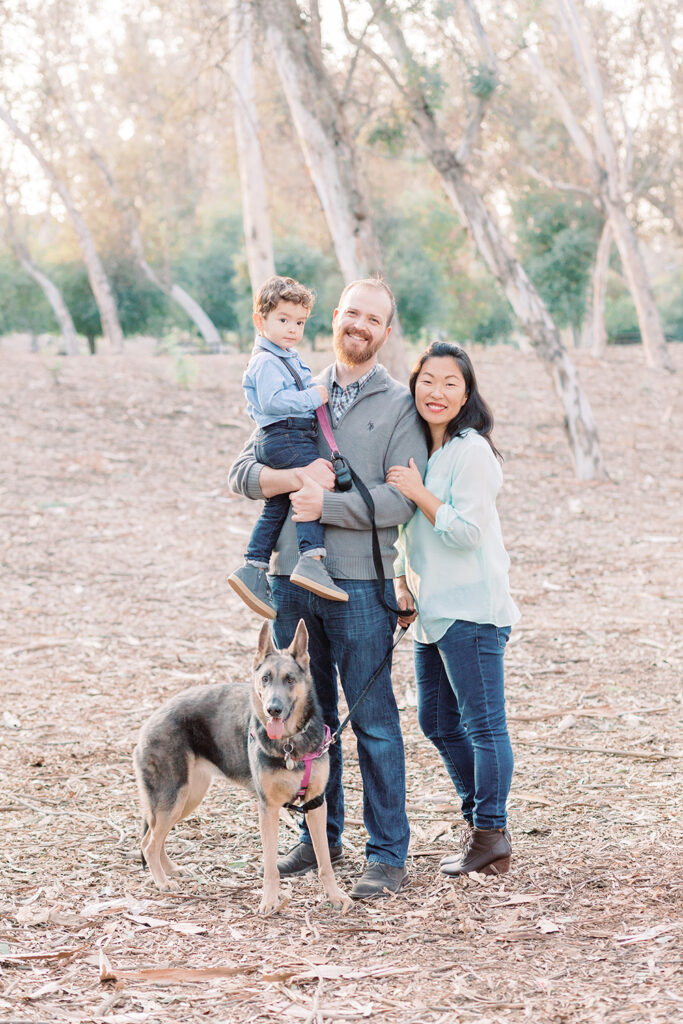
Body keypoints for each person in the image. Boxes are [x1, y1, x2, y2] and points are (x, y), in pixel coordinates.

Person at [229, 278, 428, 899]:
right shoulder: (291, 384)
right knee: (306, 720)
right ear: (335, 319)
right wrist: (290, 479)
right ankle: (321, 839)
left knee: (372, 722)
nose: (359, 325)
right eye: (351, 313)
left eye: (374, 318)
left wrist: (328, 503)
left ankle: (387, 854)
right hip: (292, 582)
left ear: (386, 332)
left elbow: (402, 500)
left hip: (362, 585)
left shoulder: (400, 404)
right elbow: (242, 472)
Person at [387, 341, 520, 877]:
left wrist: (419, 492)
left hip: (473, 610)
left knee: (485, 726)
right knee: (438, 721)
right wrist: (400, 579)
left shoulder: (471, 451)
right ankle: (481, 823)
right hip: (433, 611)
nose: (436, 392)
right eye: (427, 380)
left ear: (466, 394)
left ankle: (490, 834)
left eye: (450, 383)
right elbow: (406, 529)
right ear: (414, 384)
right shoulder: (423, 448)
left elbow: (466, 532)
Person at [228, 275, 349, 619]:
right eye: (283, 320)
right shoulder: (266, 361)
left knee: (277, 505)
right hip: (284, 436)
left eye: (299, 322)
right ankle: (311, 560)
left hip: (284, 436)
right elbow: (273, 401)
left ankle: (253, 567)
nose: (292, 329)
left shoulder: (285, 355)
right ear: (260, 321)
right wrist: (314, 395)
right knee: (312, 484)